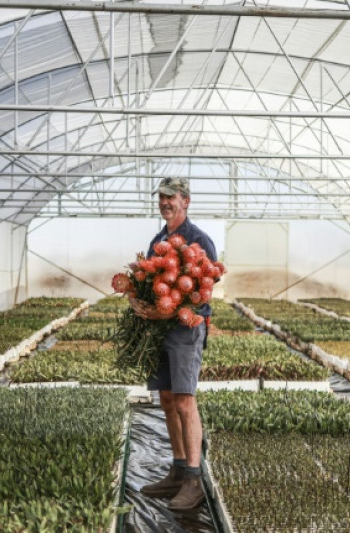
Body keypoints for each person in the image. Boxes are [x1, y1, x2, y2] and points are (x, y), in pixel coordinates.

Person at [129, 176, 217, 513]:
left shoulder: (199, 240)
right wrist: (137, 300)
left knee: (184, 400)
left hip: (185, 331)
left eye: (171, 197)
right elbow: (147, 281)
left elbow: (203, 293)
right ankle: (178, 470)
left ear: (185, 201)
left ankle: (194, 479)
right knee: (166, 399)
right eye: (162, 197)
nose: (165, 202)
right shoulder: (158, 241)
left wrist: (168, 309)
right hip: (160, 331)